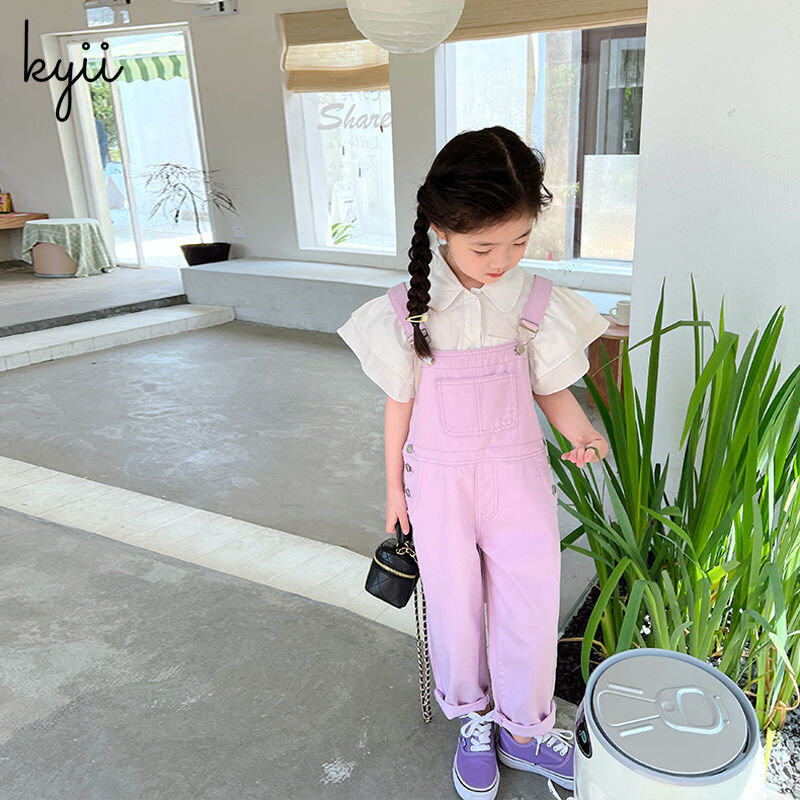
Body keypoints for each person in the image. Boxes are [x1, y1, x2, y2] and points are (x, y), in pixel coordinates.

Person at [337, 125, 610, 800]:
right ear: (440, 227)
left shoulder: (535, 301)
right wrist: (394, 489)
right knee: (455, 606)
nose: (502, 260)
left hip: (519, 483)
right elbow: (399, 405)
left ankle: (524, 729)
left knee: (529, 601)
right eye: (484, 246)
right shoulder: (408, 311)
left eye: (519, 241)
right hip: (438, 485)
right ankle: (475, 720)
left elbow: (551, 387)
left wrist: (583, 434)